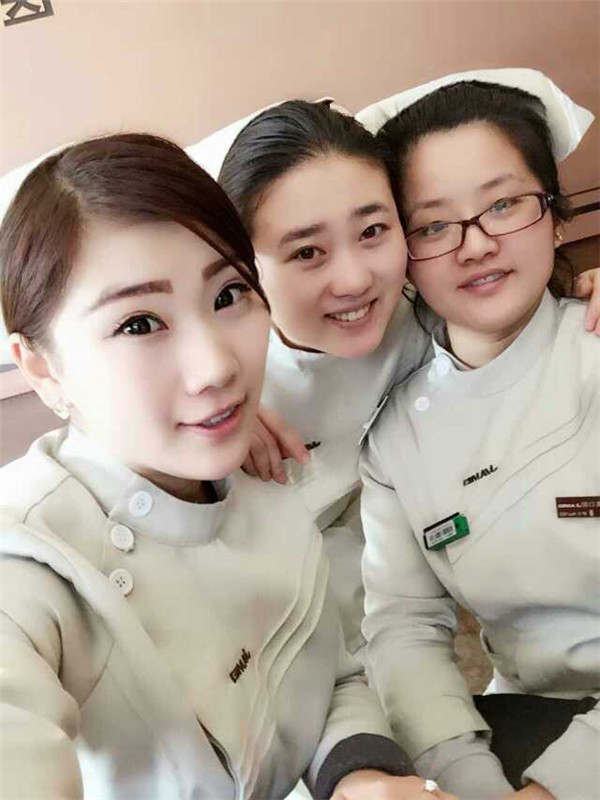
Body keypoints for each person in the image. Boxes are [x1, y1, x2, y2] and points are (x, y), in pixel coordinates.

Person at [0, 133, 456, 800]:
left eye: (228, 294)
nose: (217, 366)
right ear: (42, 368)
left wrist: (357, 775)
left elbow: (327, 671)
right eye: (138, 324)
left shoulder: (260, 482)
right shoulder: (29, 556)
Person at [218, 96, 600, 661]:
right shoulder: (219, 374)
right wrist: (211, 419)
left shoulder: (427, 312)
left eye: (373, 230)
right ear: (242, 268)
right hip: (275, 640)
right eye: (307, 252)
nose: (354, 280)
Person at [359, 80, 599, 800]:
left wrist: (559, 788)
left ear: (555, 216)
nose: (476, 244)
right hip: (527, 717)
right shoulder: (395, 437)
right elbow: (403, 628)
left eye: (503, 205)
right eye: (434, 226)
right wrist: (468, 779)